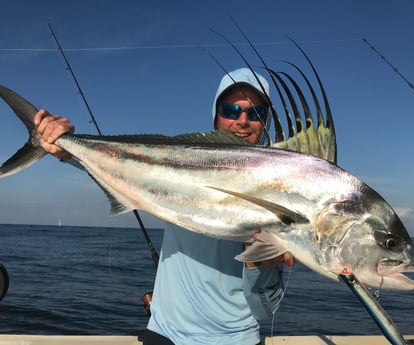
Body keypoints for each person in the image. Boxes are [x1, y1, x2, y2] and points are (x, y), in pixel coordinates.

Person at [34, 67, 294, 345]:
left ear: (266, 121)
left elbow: (264, 311)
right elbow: (133, 170)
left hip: (235, 339)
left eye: (255, 113)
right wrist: (66, 149)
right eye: (231, 110)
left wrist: (261, 265)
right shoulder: (181, 165)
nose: (242, 121)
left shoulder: (283, 189)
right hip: (164, 333)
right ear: (216, 116)